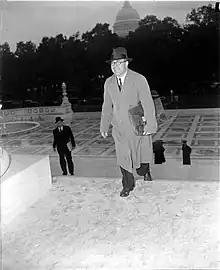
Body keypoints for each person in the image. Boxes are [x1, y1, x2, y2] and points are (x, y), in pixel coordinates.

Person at [100, 47, 158, 197]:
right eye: (113, 64)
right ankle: (127, 185)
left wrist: (151, 124)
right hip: (119, 127)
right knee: (123, 155)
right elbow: (107, 105)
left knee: (141, 154)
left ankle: (145, 170)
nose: (115, 66)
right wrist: (104, 124)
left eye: (119, 63)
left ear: (126, 63)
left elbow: (147, 102)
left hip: (137, 123)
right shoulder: (109, 82)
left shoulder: (139, 79)